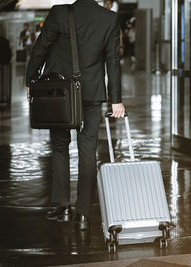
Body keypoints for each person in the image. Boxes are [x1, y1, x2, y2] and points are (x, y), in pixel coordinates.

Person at [26, 0, 125, 231]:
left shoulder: (60, 13)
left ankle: (62, 205)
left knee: (60, 146)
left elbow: (41, 47)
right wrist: (116, 99)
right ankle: (83, 213)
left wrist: (31, 80)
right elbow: (113, 61)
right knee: (88, 149)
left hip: (60, 92)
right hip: (91, 93)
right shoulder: (108, 19)